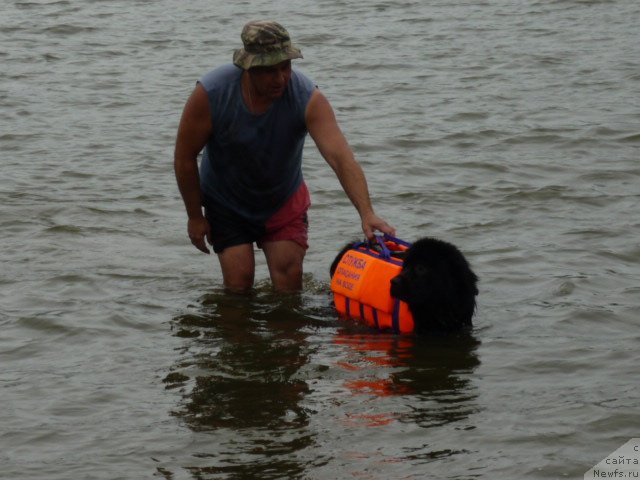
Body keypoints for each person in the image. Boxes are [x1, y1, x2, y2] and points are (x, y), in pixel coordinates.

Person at [174, 20, 395, 293]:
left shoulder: (307, 97)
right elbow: (184, 157)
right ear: (248, 67)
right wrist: (195, 216)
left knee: (289, 285)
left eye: (285, 67)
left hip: (282, 199)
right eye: (269, 71)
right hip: (226, 202)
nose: (280, 79)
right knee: (239, 285)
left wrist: (366, 212)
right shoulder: (212, 94)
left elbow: (340, 157)